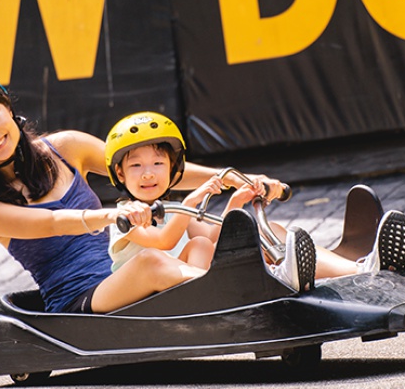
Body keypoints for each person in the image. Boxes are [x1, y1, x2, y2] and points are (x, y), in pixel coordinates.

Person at [0, 69, 300, 315]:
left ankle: (316, 274)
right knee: (152, 261)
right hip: (81, 302)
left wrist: (235, 177)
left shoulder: (66, 147)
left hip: (121, 277)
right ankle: (256, 294)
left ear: (7, 109)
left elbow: (147, 171)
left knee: (202, 245)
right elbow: (55, 222)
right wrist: (113, 215)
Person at [103, 112, 317, 290]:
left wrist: (235, 202)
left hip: (178, 288)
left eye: (158, 163)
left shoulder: (173, 209)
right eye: (136, 166)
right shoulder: (125, 215)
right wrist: (191, 201)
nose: (148, 174)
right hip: (143, 297)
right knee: (198, 245)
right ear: (120, 174)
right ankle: (217, 288)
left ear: (172, 168)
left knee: (205, 243)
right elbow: (163, 241)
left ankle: (274, 276)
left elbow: (213, 235)